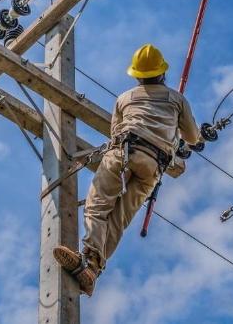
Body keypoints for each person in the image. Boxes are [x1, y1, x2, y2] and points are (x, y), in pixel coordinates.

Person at [53, 43, 202, 296]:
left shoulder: (124, 99)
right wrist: (185, 137)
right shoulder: (177, 100)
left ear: (137, 75)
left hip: (124, 151)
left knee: (98, 207)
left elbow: (115, 132)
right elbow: (192, 137)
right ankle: (92, 270)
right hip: (154, 166)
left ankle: (90, 260)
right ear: (162, 73)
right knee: (119, 218)